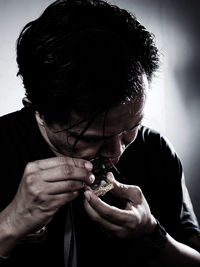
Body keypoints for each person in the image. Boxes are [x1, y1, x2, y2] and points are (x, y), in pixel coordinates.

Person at [0, 0, 200, 266]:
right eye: (92, 138)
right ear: (36, 111)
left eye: (131, 127)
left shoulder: (156, 150)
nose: (117, 153)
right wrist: (10, 224)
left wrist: (151, 233)